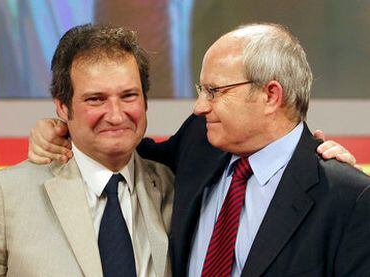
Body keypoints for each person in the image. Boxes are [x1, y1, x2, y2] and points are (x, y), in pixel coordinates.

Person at [28, 23, 370, 276]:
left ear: (271, 95)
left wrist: (333, 173)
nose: (199, 106)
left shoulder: (347, 197)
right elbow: (123, 150)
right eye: (200, 89)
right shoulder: (201, 140)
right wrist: (60, 131)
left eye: (214, 91)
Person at [0, 24, 174, 277]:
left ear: (145, 101)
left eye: (128, 96)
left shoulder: (174, 186)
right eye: (96, 99)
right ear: (61, 106)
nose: (116, 115)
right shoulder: (2, 196)